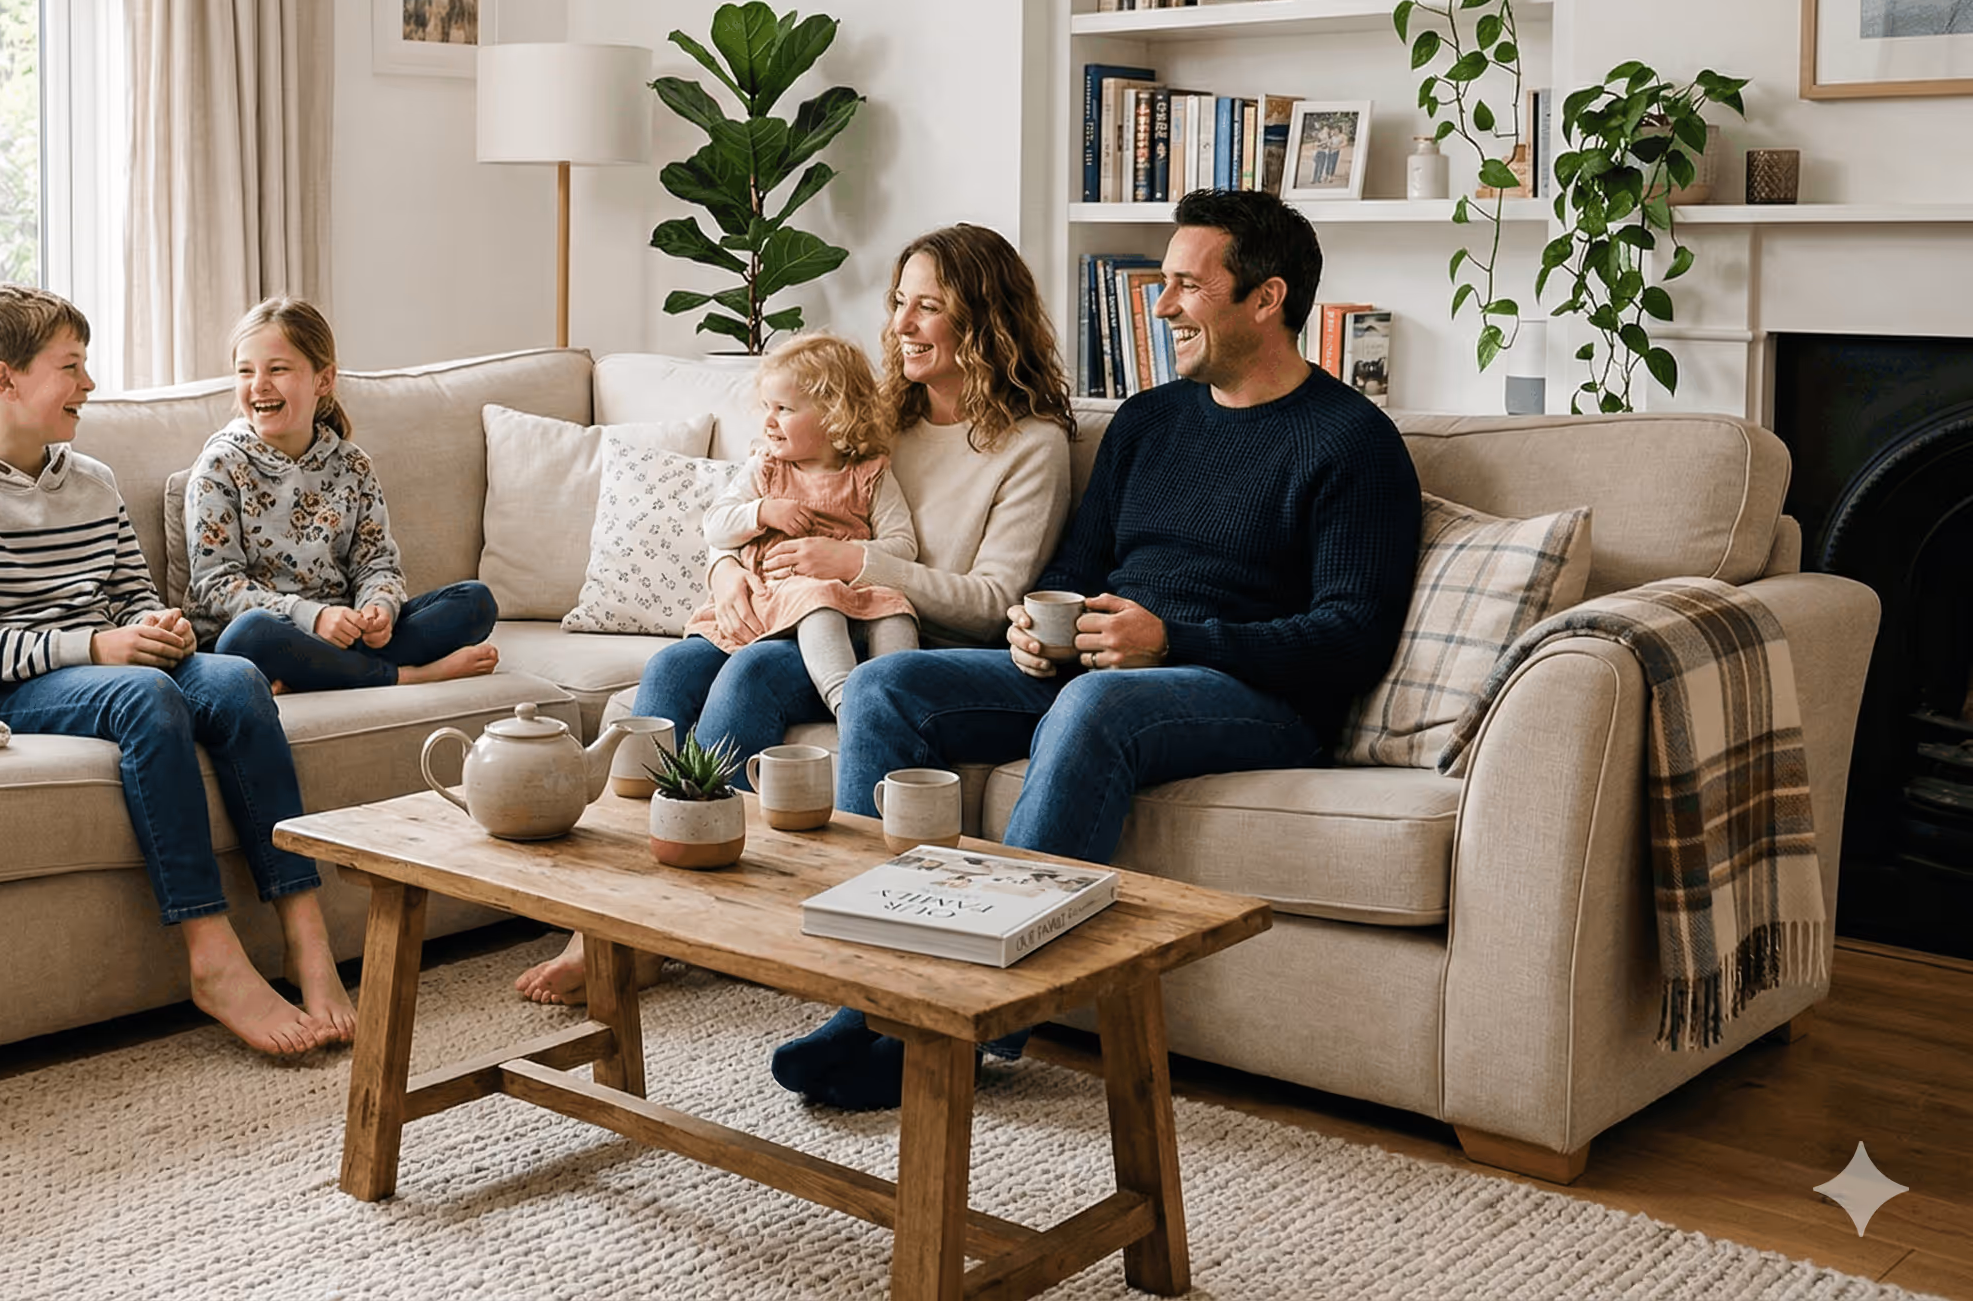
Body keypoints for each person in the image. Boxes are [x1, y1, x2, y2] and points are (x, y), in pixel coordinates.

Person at [769, 187, 1423, 1109]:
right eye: (1164, 285)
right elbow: (1078, 566)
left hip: (1250, 692)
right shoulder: (1149, 422)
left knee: (1098, 704)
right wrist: (1041, 633)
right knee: (886, 687)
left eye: (1188, 288)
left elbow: (1349, 638)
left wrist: (1174, 640)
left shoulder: (1353, 442)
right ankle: (872, 995)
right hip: (1108, 664)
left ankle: (970, 1024)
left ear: (1266, 299)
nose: (1163, 308)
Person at [514, 224, 1079, 1005]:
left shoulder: (1031, 445)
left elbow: (989, 604)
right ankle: (611, 925)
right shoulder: (879, 418)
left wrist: (855, 566)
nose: (900, 325)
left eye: (929, 308)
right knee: (676, 664)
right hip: (795, 608)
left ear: (985, 320)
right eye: (897, 305)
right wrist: (726, 570)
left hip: (905, 646)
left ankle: (699, 920)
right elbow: (761, 503)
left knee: (752, 674)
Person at [0, 284, 351, 1057]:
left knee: (236, 678)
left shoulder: (93, 481)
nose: (88, 383)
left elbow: (132, 596)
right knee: (145, 696)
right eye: (70, 367)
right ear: (4, 381)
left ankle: (306, 937)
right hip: (23, 686)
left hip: (113, 665)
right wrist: (97, 649)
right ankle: (213, 959)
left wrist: (156, 625)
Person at [187, 298, 500, 692]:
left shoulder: (352, 465)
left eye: (278, 369)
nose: (258, 385)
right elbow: (217, 585)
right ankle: (405, 676)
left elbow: (376, 564)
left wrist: (378, 609)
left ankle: (317, 675)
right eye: (245, 371)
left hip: (343, 632)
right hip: (263, 635)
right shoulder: (219, 466)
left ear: (324, 380)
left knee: (475, 602)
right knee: (249, 635)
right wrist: (312, 617)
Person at [687, 333, 921, 715]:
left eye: (783, 409)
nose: (768, 422)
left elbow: (903, 546)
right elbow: (715, 525)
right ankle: (847, 702)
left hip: (856, 589)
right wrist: (761, 512)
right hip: (786, 593)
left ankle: (899, 698)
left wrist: (848, 555)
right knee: (818, 602)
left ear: (835, 414)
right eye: (766, 406)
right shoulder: (765, 468)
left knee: (896, 608)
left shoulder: (869, 474)